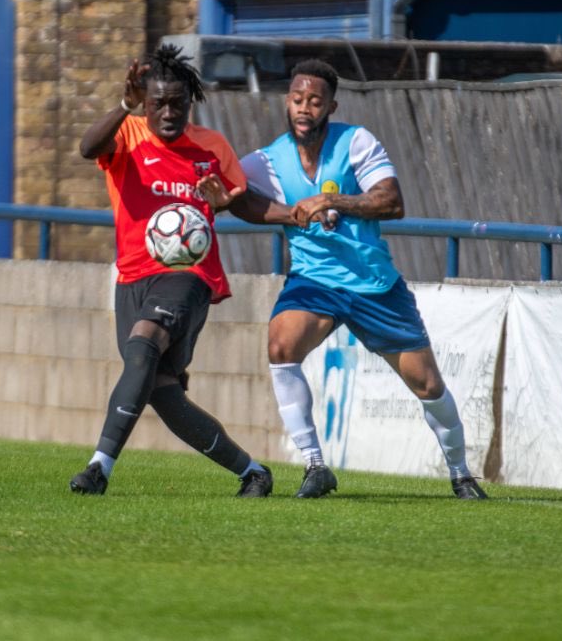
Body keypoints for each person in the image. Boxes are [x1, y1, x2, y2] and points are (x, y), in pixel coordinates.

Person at [198, 59, 488, 500]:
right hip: (315, 281)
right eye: (297, 99)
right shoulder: (267, 159)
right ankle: (315, 465)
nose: (304, 108)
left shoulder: (356, 142)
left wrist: (333, 203)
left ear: (331, 105)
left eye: (314, 101)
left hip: (373, 284)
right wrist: (234, 203)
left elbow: (391, 202)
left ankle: (461, 473)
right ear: (287, 102)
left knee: (427, 385)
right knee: (281, 344)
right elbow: (238, 198)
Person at [69, 43, 277, 497]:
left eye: (177, 104)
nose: (168, 113)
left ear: (190, 103)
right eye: (158, 103)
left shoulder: (211, 146)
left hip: (190, 274)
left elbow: (237, 200)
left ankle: (99, 467)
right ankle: (252, 472)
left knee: (144, 344)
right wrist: (123, 108)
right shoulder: (127, 135)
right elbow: (87, 148)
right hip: (131, 277)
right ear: (144, 102)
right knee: (161, 392)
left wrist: (227, 203)